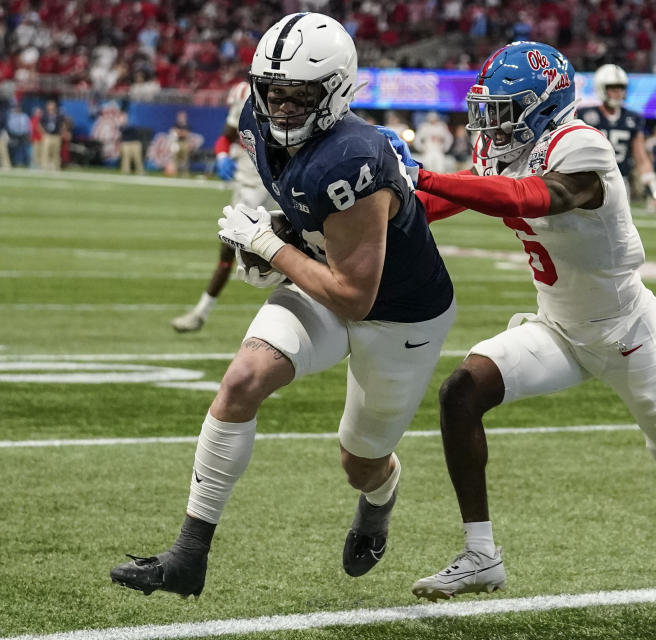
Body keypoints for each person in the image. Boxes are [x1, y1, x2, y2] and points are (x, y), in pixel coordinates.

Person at [404, 41, 656, 621]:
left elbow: (535, 195)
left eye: (506, 106)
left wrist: (424, 174)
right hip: (558, 327)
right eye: (488, 106)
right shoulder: (499, 148)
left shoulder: (581, 145)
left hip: (626, 330)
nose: (491, 120)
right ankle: (480, 553)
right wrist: (395, 197)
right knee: (461, 392)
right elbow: (460, 197)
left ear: (546, 104)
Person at [110, 12, 455, 597]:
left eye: (299, 96)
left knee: (361, 463)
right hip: (326, 276)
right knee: (242, 380)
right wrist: (283, 235)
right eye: (273, 92)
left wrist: (270, 244)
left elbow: (355, 294)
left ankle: (381, 495)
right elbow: (310, 223)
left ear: (337, 91)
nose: (282, 107)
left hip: (398, 315)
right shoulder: (255, 120)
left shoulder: (353, 160)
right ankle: (188, 556)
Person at [170, 82, 277, 333]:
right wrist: (221, 156)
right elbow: (225, 137)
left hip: (281, 181)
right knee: (229, 249)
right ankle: (200, 313)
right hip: (249, 184)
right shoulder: (244, 93)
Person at [578, 64, 656, 214]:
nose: (618, 93)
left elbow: (642, 160)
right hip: (589, 180)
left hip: (619, 182)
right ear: (602, 89)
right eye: (613, 88)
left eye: (621, 88)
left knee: (620, 233)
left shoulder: (632, 118)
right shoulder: (583, 115)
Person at [39, 100, 64, 170]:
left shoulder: (59, 115)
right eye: (50, 105)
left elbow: (63, 125)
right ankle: (44, 167)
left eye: (52, 105)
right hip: (48, 135)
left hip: (56, 135)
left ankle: (56, 167)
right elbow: (39, 124)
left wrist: (62, 133)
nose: (51, 107)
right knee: (45, 152)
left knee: (56, 153)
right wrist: (43, 132)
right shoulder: (45, 115)